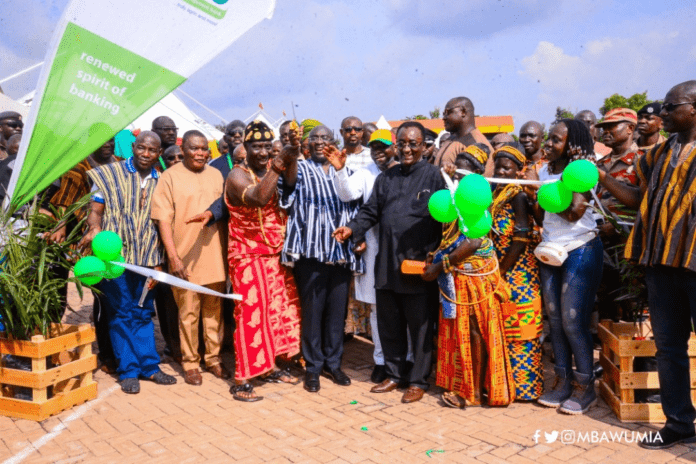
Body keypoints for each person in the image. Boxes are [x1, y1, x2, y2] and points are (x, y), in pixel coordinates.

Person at [597, 81, 696, 449]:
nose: (660, 114)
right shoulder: (658, 153)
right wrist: (602, 177)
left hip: (694, 264)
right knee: (668, 348)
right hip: (660, 264)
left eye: (671, 108)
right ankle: (679, 423)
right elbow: (637, 198)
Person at [334, 121, 445, 403]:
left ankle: (418, 380)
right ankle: (394, 375)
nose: (407, 149)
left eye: (414, 144)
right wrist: (351, 228)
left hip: (418, 266)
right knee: (389, 324)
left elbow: (447, 221)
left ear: (424, 147)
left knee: (420, 328)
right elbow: (370, 211)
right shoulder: (387, 177)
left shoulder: (434, 177)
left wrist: (438, 259)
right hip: (386, 264)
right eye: (403, 144)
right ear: (397, 145)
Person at [81, 131, 177, 394]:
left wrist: (159, 262)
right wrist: (94, 229)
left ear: (159, 153)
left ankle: (150, 367)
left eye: (152, 150)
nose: (146, 154)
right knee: (121, 312)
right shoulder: (109, 174)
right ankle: (128, 370)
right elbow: (95, 211)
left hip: (148, 258)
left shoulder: (162, 180)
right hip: (117, 260)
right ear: (134, 147)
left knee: (143, 311)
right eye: (142, 148)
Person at [427, 145, 516, 408]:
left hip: (476, 276)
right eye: (457, 168)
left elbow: (474, 241)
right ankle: (467, 385)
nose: (458, 174)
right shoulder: (455, 198)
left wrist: (440, 265)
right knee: (463, 330)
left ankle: (474, 393)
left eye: (464, 169)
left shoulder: (476, 198)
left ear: (477, 174)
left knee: (476, 331)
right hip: (461, 274)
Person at [525, 119, 603, 415]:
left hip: (580, 249)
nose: (548, 145)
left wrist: (547, 193)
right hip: (550, 250)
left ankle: (585, 389)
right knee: (555, 319)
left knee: (573, 321)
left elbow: (573, 214)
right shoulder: (544, 171)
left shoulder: (582, 173)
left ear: (573, 145)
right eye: (550, 139)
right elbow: (539, 216)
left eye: (556, 141)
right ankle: (562, 382)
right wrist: (535, 195)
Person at [280, 124, 363, 393]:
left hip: (339, 253)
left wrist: (357, 237)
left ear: (333, 141)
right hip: (310, 253)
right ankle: (313, 367)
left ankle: (333, 364)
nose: (319, 142)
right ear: (307, 144)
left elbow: (355, 205)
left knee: (336, 314)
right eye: (314, 138)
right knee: (313, 313)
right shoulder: (300, 168)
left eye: (324, 138)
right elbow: (289, 184)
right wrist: (292, 154)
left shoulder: (346, 169)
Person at [224, 120, 302, 402]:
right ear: (244, 148)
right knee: (250, 317)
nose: (262, 152)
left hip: (275, 253)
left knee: (277, 313)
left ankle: (269, 367)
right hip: (247, 255)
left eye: (267, 146)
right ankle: (242, 380)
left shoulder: (272, 169)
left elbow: (290, 183)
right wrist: (279, 163)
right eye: (256, 146)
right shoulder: (236, 175)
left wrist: (291, 153)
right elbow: (258, 198)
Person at [151, 130, 229, 386]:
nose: (200, 153)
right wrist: (173, 256)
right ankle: (190, 363)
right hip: (184, 257)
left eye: (204, 149)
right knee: (188, 312)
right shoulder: (169, 177)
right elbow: (163, 219)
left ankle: (214, 359)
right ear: (183, 149)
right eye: (194, 148)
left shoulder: (217, 174)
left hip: (214, 255)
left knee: (213, 311)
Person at [324, 128, 400, 384]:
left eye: (384, 147)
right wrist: (340, 170)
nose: (379, 152)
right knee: (378, 307)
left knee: (404, 306)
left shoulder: (405, 170)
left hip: (402, 249)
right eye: (375, 147)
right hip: (375, 247)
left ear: (395, 148)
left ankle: (406, 358)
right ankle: (380, 360)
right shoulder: (367, 172)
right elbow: (347, 194)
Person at [48, 138, 121, 372]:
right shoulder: (78, 167)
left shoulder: (118, 164)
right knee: (72, 292)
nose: (107, 145)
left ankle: (110, 353)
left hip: (109, 240)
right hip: (80, 239)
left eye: (111, 140)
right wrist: (60, 226)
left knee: (107, 297)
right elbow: (64, 201)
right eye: (101, 141)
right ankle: (53, 348)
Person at [491, 145, 543, 401]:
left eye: (507, 167)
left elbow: (521, 237)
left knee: (522, 331)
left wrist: (500, 271)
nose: (501, 171)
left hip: (519, 272)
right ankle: (506, 386)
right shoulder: (495, 193)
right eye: (498, 166)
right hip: (500, 270)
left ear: (519, 170)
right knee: (504, 329)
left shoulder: (518, 196)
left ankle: (526, 389)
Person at [432, 96, 493, 173]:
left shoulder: (477, 143)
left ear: (463, 112)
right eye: (444, 114)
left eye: (448, 113)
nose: (444, 118)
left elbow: (481, 181)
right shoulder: (451, 139)